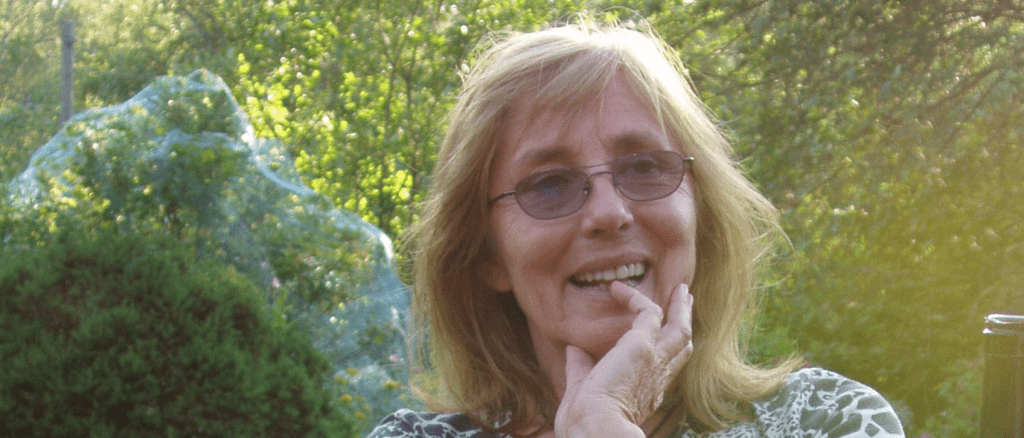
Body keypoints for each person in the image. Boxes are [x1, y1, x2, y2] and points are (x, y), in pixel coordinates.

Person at [369, 18, 906, 438]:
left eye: (645, 167)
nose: (609, 213)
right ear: (488, 255)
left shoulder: (825, 420)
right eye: (550, 185)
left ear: (700, 213)